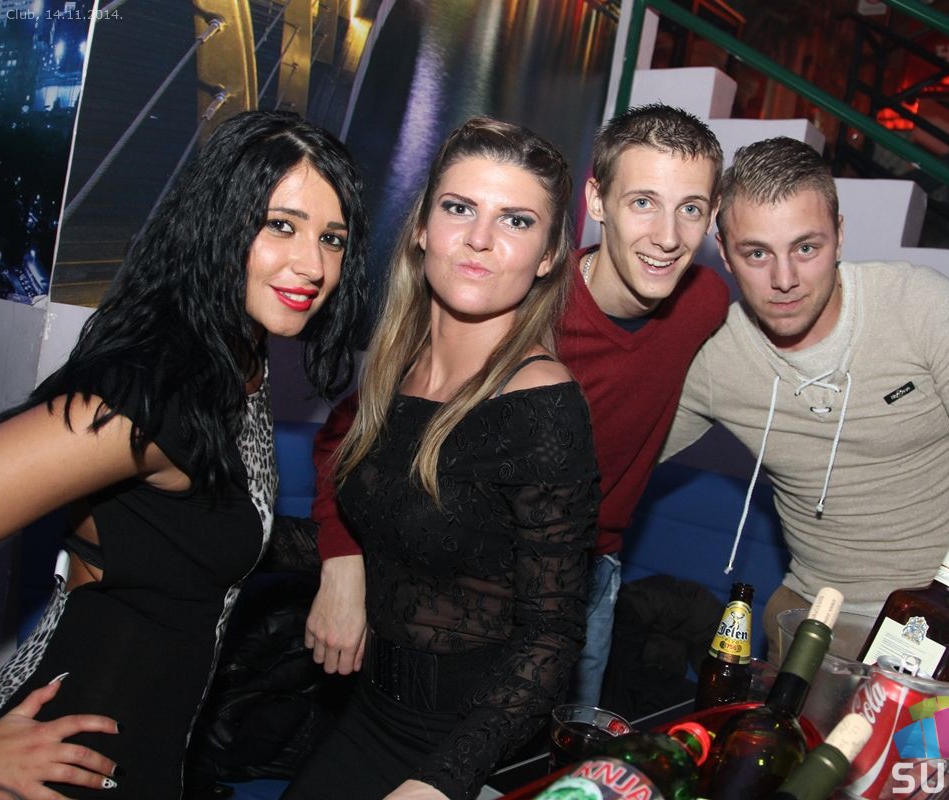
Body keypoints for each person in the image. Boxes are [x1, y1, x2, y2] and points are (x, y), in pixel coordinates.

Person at [0, 110, 370, 799]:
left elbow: (194, 532)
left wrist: (343, 557)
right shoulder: (156, 393)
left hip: (147, 753)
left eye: (331, 238)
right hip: (72, 766)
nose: (313, 265)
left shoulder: (237, 357)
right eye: (281, 225)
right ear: (220, 222)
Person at [307, 103, 730, 708]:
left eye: (689, 209)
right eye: (643, 202)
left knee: (556, 751)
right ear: (597, 201)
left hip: (591, 573)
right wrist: (341, 556)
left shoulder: (705, 300)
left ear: (711, 217)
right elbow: (349, 434)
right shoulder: (516, 306)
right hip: (465, 580)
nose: (667, 236)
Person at [280, 117, 601, 800]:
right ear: (424, 228)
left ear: (548, 256)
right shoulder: (397, 370)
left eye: (516, 221)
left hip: (469, 743)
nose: (480, 238)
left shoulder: (542, 407)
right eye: (459, 208)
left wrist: (440, 782)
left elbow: (550, 637)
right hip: (369, 709)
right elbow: (396, 540)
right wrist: (212, 532)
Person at [661, 136, 949, 668]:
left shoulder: (922, 308)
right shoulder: (715, 356)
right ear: (725, 254)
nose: (784, 279)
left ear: (840, 237)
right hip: (814, 616)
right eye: (757, 253)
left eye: (806, 248)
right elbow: (622, 456)